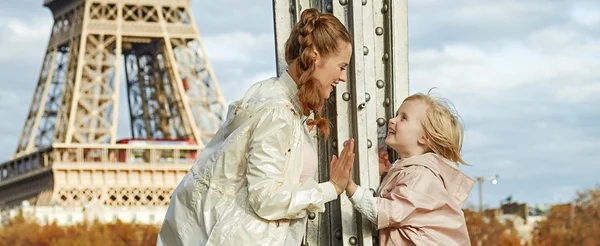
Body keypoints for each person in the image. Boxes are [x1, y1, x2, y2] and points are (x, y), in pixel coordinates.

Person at [157, 8, 356, 246]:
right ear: (315, 56)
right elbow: (266, 198)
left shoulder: (273, 98)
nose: (343, 77)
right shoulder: (278, 113)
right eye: (342, 66)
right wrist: (331, 189)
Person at [345, 92, 475, 245]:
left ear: (424, 137)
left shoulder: (421, 176)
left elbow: (388, 212)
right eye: (396, 115)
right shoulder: (417, 173)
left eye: (403, 118)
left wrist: (349, 186)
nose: (392, 120)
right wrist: (387, 174)